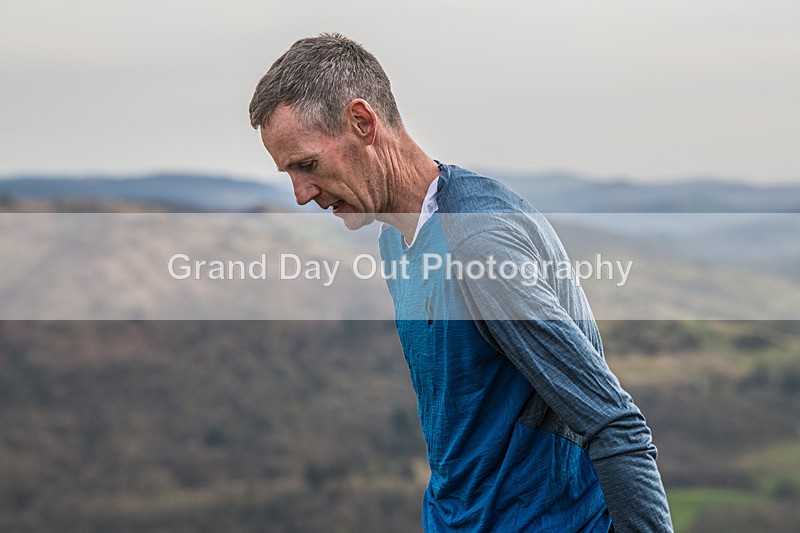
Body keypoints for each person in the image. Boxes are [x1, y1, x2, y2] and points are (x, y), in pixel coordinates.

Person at [249, 33, 674, 532]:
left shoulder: (478, 243)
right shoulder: (393, 237)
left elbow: (614, 424)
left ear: (362, 123)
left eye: (307, 165)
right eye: (289, 173)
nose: (301, 194)